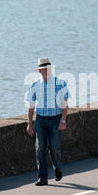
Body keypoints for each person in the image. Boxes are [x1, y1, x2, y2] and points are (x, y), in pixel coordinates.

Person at [25, 57, 70, 186]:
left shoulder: (60, 83)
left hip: (56, 119)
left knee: (55, 147)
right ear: (39, 70)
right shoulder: (34, 85)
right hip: (40, 120)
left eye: (49, 69)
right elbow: (31, 106)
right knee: (40, 148)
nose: (47, 71)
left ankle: (57, 168)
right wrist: (29, 123)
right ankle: (42, 177)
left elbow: (65, 104)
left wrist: (63, 120)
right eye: (44, 69)